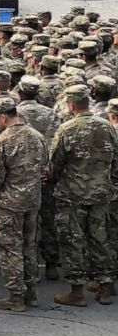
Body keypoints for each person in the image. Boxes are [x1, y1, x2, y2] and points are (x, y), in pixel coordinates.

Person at [49, 84, 118, 306]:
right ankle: (106, 287)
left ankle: (76, 291)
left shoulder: (67, 128)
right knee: (100, 238)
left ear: (70, 104)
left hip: (73, 194)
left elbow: (55, 163)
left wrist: (52, 179)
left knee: (73, 241)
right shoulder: (107, 127)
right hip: (101, 193)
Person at [0, 97, 48, 312]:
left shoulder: (3, 140)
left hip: (9, 202)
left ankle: (16, 296)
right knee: (29, 246)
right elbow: (44, 167)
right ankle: (31, 292)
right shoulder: (37, 136)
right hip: (33, 200)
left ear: (3, 117)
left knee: (10, 248)